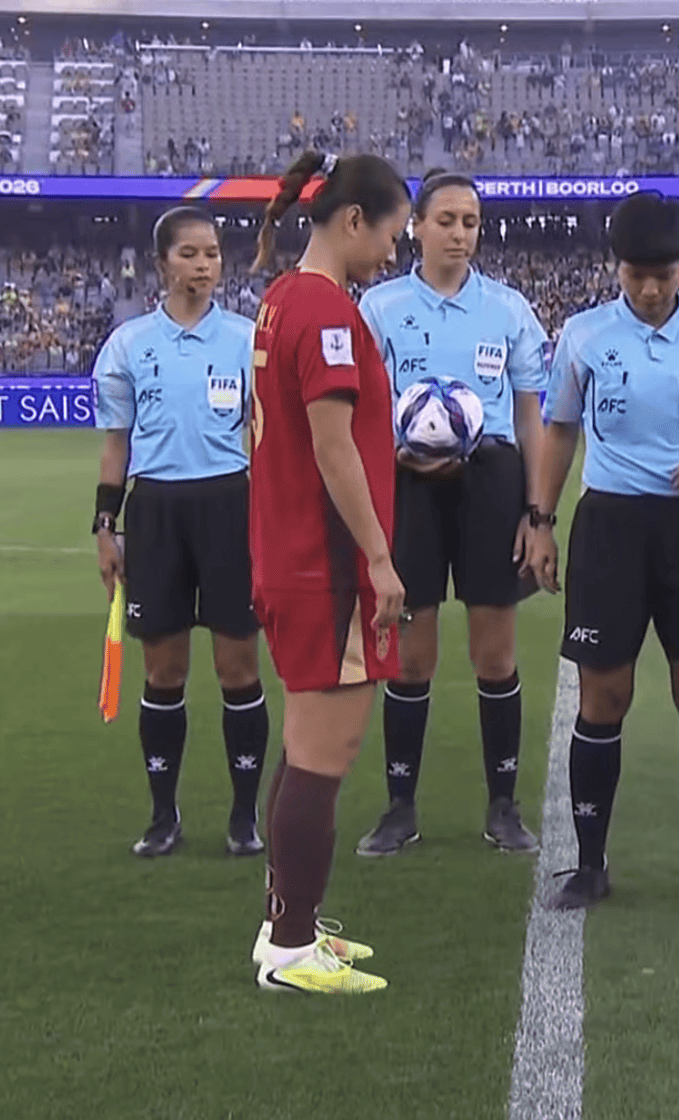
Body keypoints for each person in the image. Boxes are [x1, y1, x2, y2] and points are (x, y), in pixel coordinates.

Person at [526, 191, 679, 912]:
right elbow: (560, 430)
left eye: (664, 274)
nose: (651, 289)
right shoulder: (583, 336)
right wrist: (541, 521)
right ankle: (590, 865)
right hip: (610, 528)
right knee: (605, 697)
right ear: (617, 268)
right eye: (636, 275)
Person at [247, 150, 412, 995]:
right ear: (353, 221)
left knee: (303, 747)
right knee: (323, 755)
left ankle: (288, 925)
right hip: (326, 566)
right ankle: (290, 950)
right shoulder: (326, 311)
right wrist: (379, 558)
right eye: (391, 234)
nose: (393, 251)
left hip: (291, 556)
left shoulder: (284, 297)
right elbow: (332, 446)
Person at [356, 171, 548, 858]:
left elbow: (529, 415)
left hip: (491, 482)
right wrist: (393, 455)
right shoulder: (379, 307)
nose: (460, 234)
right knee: (412, 657)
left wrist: (537, 512)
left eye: (470, 222)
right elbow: (360, 409)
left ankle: (503, 806)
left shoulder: (508, 309)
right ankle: (400, 807)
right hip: (406, 483)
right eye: (446, 220)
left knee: (495, 653)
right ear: (416, 226)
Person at [92, 206, 267, 859]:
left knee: (237, 667)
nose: (203, 265)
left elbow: (267, 439)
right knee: (164, 671)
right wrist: (105, 527)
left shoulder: (247, 340)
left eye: (212, 253)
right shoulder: (128, 346)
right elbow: (116, 446)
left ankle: (244, 818)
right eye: (189, 253)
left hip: (230, 506)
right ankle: (163, 817)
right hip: (157, 512)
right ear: (161, 263)